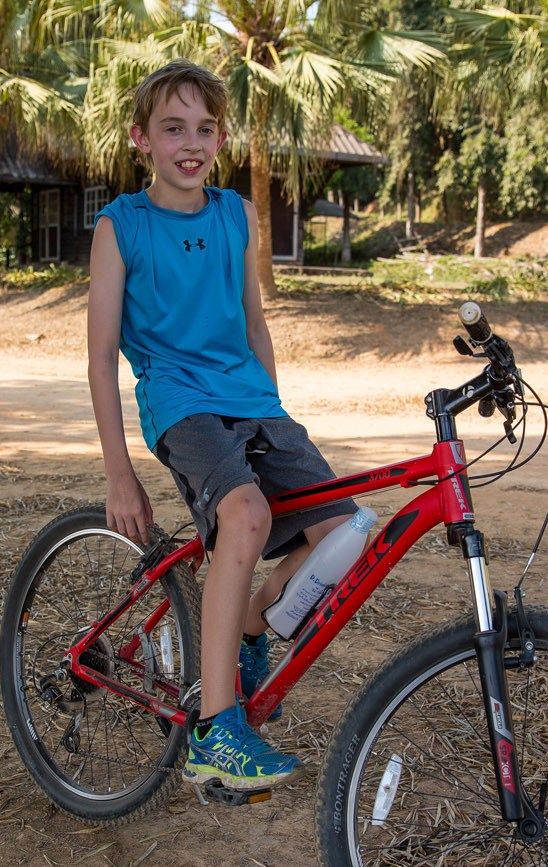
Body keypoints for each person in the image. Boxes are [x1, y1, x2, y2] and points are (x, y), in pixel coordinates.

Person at [86, 59, 355, 792]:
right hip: (181, 402)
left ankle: (249, 624)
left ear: (221, 136)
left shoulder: (236, 213)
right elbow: (102, 356)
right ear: (142, 137)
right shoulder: (122, 227)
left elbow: (255, 323)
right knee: (244, 515)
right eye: (173, 128)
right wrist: (120, 472)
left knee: (349, 534)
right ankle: (216, 728)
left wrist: (274, 409)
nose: (191, 142)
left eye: (204, 128)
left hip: (252, 402)